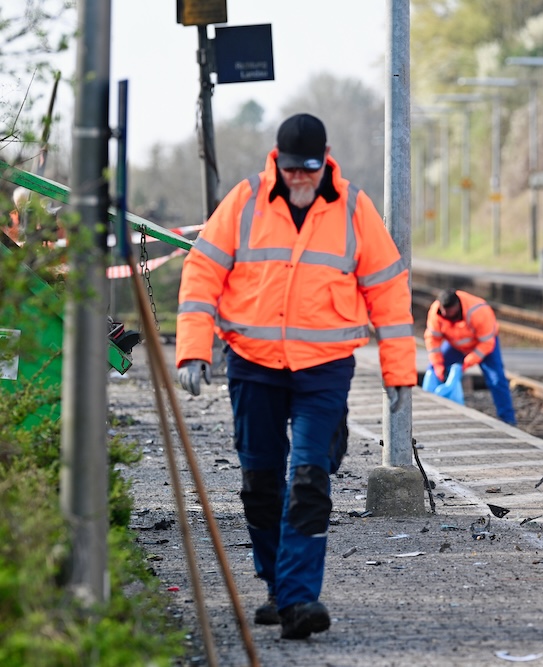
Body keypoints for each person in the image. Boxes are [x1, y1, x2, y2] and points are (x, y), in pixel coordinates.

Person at [175, 113, 416, 640]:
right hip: (253, 366)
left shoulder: (353, 208)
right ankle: (278, 588)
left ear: (325, 159)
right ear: (276, 161)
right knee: (260, 484)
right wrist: (193, 350)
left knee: (309, 481)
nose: (299, 179)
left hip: (323, 370)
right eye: (290, 169)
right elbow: (202, 273)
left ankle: (300, 597)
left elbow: (389, 294)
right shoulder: (244, 202)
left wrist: (400, 372)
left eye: (308, 169)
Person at [423, 289, 516, 425]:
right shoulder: (436, 311)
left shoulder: (479, 311)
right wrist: (438, 364)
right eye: (444, 311)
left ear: (457, 306)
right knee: (434, 370)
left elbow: (487, 343)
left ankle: (508, 420)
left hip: (482, 345)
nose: (446, 315)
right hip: (455, 344)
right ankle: (431, 412)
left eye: (449, 312)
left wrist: (467, 363)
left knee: (496, 379)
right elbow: (432, 339)